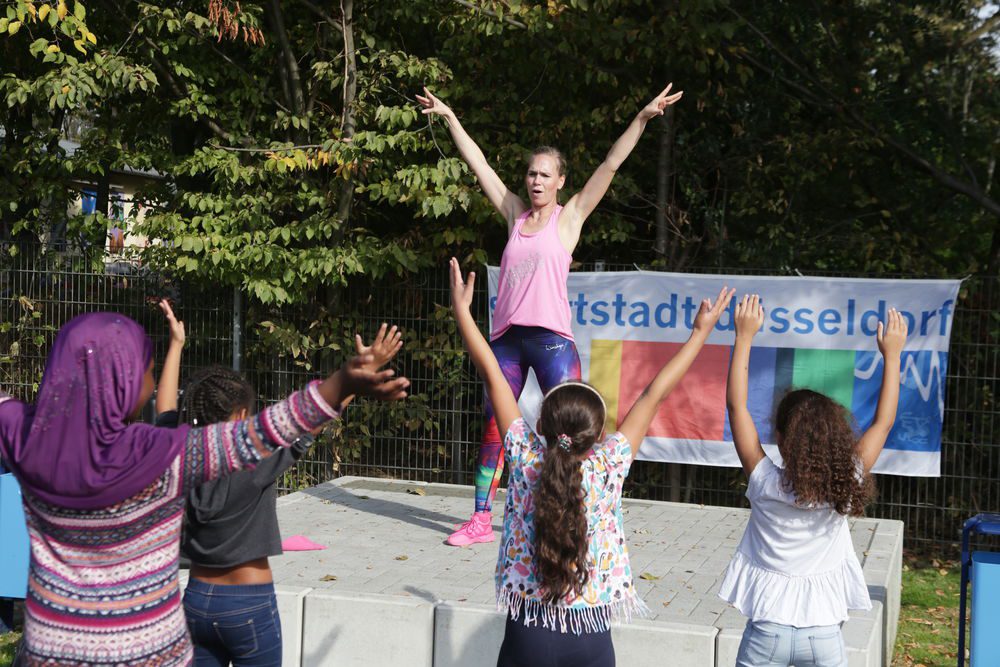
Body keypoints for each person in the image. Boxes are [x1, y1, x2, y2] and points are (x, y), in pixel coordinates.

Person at [0, 311, 408, 666]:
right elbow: (269, 430)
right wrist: (342, 382)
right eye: (146, 369)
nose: (150, 376)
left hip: (50, 649)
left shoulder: (23, 438)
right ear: (122, 383)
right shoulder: (164, 453)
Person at [418, 83, 684, 546]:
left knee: (570, 428)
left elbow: (611, 164)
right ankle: (481, 520)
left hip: (552, 342)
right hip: (507, 341)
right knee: (494, 428)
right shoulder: (514, 215)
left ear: (561, 181)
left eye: (545, 175)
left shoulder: (571, 217)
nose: (535, 181)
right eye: (531, 174)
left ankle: (574, 510)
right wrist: (449, 117)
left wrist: (641, 119)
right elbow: (478, 163)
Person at [450, 258, 733, 665]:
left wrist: (463, 313)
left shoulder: (525, 458)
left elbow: (495, 375)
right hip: (591, 635)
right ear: (599, 436)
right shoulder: (608, 465)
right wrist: (699, 335)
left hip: (527, 631)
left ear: (541, 424)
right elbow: (653, 394)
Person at [154, 301, 403, 667]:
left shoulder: (179, 452)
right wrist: (353, 383)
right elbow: (314, 417)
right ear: (240, 417)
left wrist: (175, 344)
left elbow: (164, 412)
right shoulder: (253, 459)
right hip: (247, 604)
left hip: (195, 600)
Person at [718, 295, 908, 667]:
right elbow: (883, 422)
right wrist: (893, 356)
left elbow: (737, 407)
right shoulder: (845, 481)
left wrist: (743, 337)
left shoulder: (764, 481)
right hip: (824, 637)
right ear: (834, 436)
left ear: (782, 437)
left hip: (766, 633)